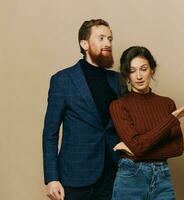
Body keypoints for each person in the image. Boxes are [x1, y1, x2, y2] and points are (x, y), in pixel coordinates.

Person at [42, 19, 127, 200]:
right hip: (75, 176)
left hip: (113, 175)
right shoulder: (63, 80)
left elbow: (129, 123)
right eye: (101, 38)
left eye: (110, 39)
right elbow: (50, 132)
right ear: (84, 44)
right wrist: (52, 178)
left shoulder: (118, 80)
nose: (108, 43)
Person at [109, 46, 184, 199]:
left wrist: (136, 153)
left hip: (162, 175)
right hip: (131, 177)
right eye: (132, 71)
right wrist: (171, 120)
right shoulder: (119, 106)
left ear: (152, 70)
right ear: (126, 76)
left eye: (143, 69)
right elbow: (137, 146)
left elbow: (178, 148)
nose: (138, 76)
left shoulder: (167, 104)